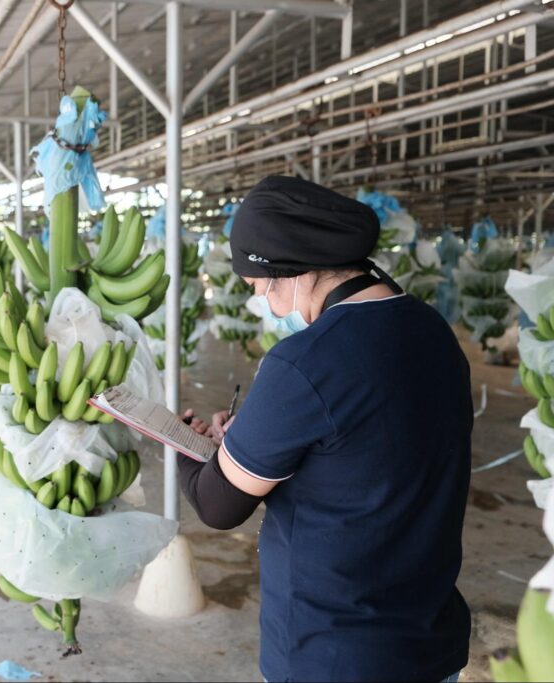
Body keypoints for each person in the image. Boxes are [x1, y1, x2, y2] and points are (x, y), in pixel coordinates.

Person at [179, 176, 471, 683]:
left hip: (336, 652)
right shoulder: (432, 330)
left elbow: (219, 504)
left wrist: (188, 450)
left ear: (288, 273)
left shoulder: (304, 361)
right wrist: (254, 439)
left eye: (259, 289)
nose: (267, 307)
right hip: (430, 638)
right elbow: (364, 447)